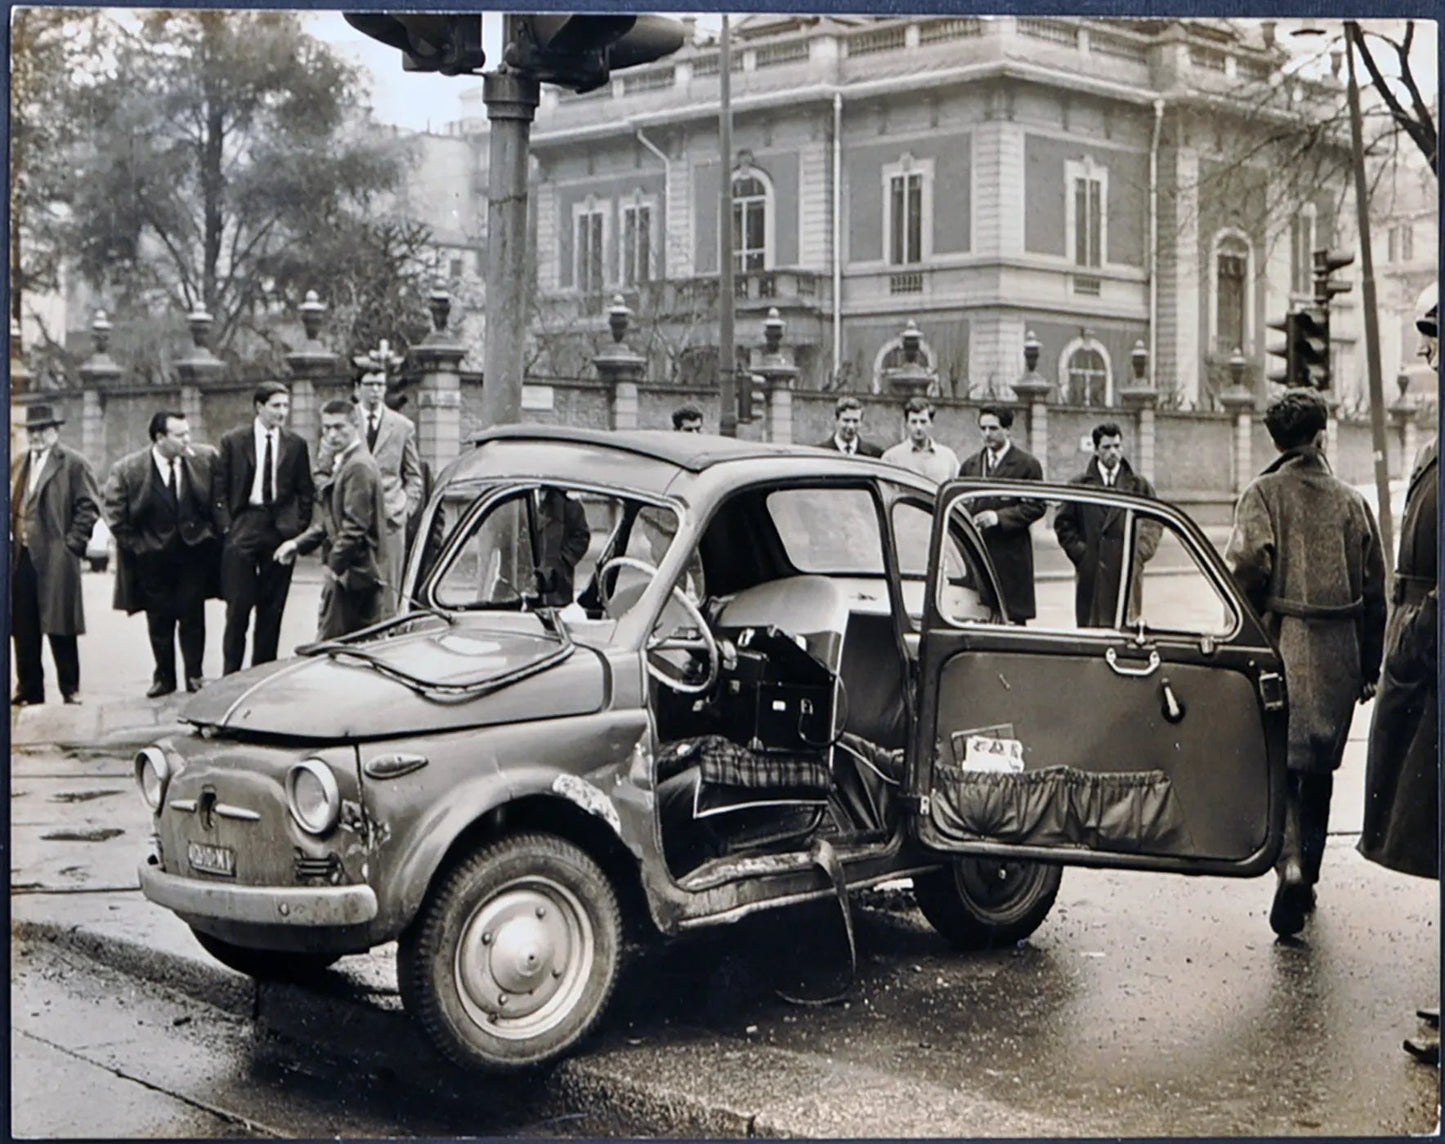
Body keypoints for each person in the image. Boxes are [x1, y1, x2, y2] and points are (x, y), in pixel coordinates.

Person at [1224, 388, 1386, 940]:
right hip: (1339, 647)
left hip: (1282, 644)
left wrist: (1247, 627)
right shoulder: (1351, 502)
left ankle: (1289, 864)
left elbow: (1245, 565)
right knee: (1320, 768)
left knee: (1282, 765)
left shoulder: (1262, 494)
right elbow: (1375, 587)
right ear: (1320, 437)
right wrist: (1369, 663)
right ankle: (1308, 875)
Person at [1358, 285, 1439, 1065]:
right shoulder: (1433, 446)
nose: (1425, 356)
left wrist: (1417, 635)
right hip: (1423, 660)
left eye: (1434, 341)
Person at [103, 411, 220, 697]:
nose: (187, 440)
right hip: (152, 560)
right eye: (180, 435)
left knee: (193, 618)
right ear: (159, 438)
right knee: (159, 619)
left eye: (188, 433)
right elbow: (115, 515)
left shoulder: (203, 459)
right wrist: (139, 547)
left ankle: (195, 675)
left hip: (192, 554)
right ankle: (164, 678)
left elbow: (218, 501)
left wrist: (209, 534)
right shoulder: (129, 469)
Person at [214, 382, 315, 673]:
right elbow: (219, 489)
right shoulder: (234, 441)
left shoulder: (296, 444)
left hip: (280, 529)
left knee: (272, 610)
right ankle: (230, 675)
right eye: (276, 406)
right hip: (244, 524)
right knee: (238, 608)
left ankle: (262, 674)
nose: (282, 412)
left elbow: (304, 490)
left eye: (286, 406)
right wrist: (227, 529)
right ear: (259, 407)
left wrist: (298, 528)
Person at [9, 404, 101, 706]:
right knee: (23, 627)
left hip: (56, 556)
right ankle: (29, 688)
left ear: (55, 431)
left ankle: (69, 688)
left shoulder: (73, 463)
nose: (36, 435)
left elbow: (88, 507)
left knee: (60, 625)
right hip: (21, 557)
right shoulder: (19, 462)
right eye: (31, 430)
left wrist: (72, 544)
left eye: (42, 429)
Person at [275, 401, 387, 640]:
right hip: (352, 573)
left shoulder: (358, 466)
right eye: (326, 429)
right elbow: (332, 520)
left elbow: (354, 527)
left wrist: (333, 568)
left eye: (339, 427)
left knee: (331, 648)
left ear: (356, 425)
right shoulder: (347, 462)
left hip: (355, 575)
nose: (332, 435)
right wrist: (298, 544)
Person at [316, 371, 422, 619]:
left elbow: (414, 475)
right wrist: (338, 503)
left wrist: (405, 507)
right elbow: (321, 473)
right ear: (357, 387)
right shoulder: (342, 423)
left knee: (388, 593)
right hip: (350, 521)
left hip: (391, 522)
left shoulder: (403, 426)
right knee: (343, 594)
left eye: (380, 384)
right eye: (370, 384)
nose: (375, 390)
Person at [1053, 422, 1161, 627]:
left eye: (1117, 446)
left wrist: (1139, 552)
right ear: (1095, 450)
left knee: (1125, 629)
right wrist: (1081, 554)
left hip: (1126, 569)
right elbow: (1064, 523)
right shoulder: (1079, 485)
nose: (1113, 452)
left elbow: (1154, 522)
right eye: (1106, 447)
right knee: (1092, 633)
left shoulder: (1138, 485)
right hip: (1092, 573)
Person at [959, 405, 1045, 623]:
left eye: (993, 428)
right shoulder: (970, 465)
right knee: (978, 618)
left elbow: (1036, 506)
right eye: (983, 428)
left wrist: (999, 518)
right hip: (978, 554)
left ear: (1008, 430)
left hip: (1011, 558)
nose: (987, 434)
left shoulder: (1027, 465)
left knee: (1011, 624)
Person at [532, 486, 591, 607]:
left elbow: (581, 537)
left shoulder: (568, 505)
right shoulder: (517, 499)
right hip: (524, 586)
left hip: (557, 587)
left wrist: (562, 560)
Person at [880, 396, 959, 482]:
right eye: (914, 422)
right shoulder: (892, 458)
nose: (918, 427)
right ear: (906, 424)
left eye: (923, 422)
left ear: (931, 423)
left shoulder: (947, 457)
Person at [815, 396, 884, 456]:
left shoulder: (874, 454)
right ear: (836, 420)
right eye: (846, 420)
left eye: (855, 421)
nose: (851, 426)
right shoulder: (820, 453)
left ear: (861, 422)